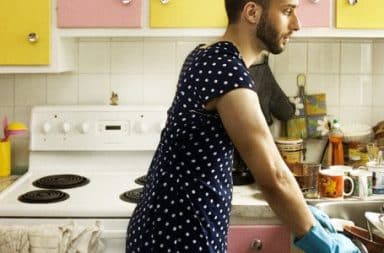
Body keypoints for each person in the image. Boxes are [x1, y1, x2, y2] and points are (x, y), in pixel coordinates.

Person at [126, 0, 360, 252]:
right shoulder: (226, 70)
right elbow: (274, 177)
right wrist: (325, 243)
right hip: (178, 239)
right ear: (251, 12)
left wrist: (306, 213)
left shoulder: (206, 54)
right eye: (287, 11)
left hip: (167, 231)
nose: (297, 24)